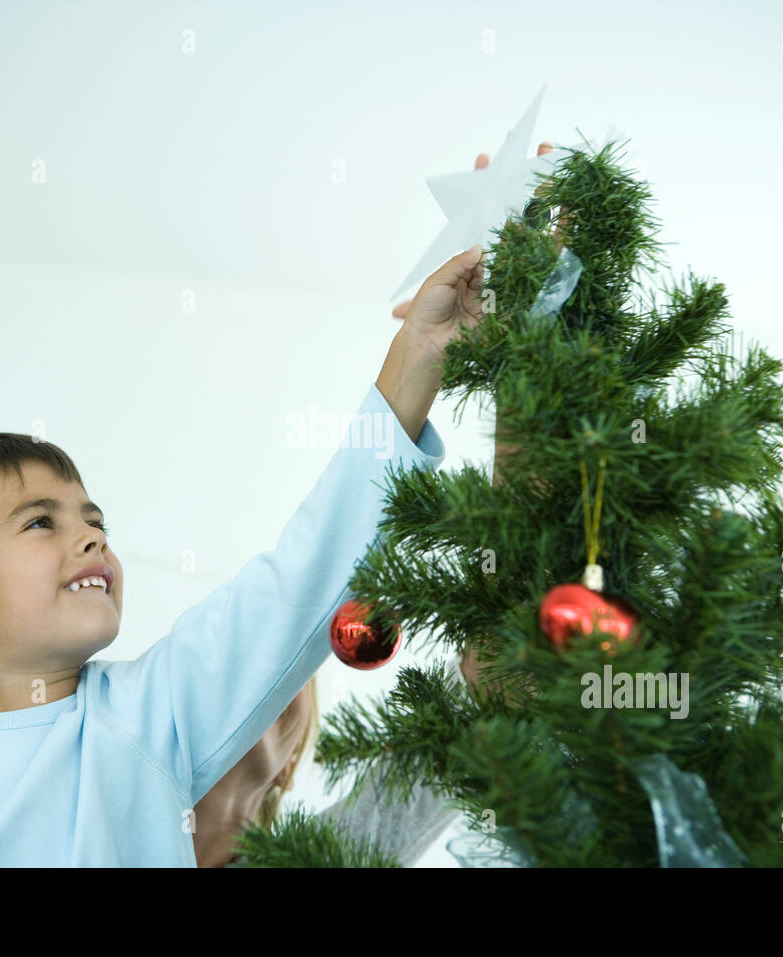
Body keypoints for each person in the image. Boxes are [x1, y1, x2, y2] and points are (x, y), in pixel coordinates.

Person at [0, 238, 491, 867]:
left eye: (93, 518)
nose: (92, 535)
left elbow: (302, 575)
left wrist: (418, 352)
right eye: (41, 523)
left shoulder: (146, 720)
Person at [191, 143, 566, 868]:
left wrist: (524, 356)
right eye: (238, 658)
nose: (275, 677)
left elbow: (496, 686)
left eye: (287, 663)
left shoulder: (332, 851)